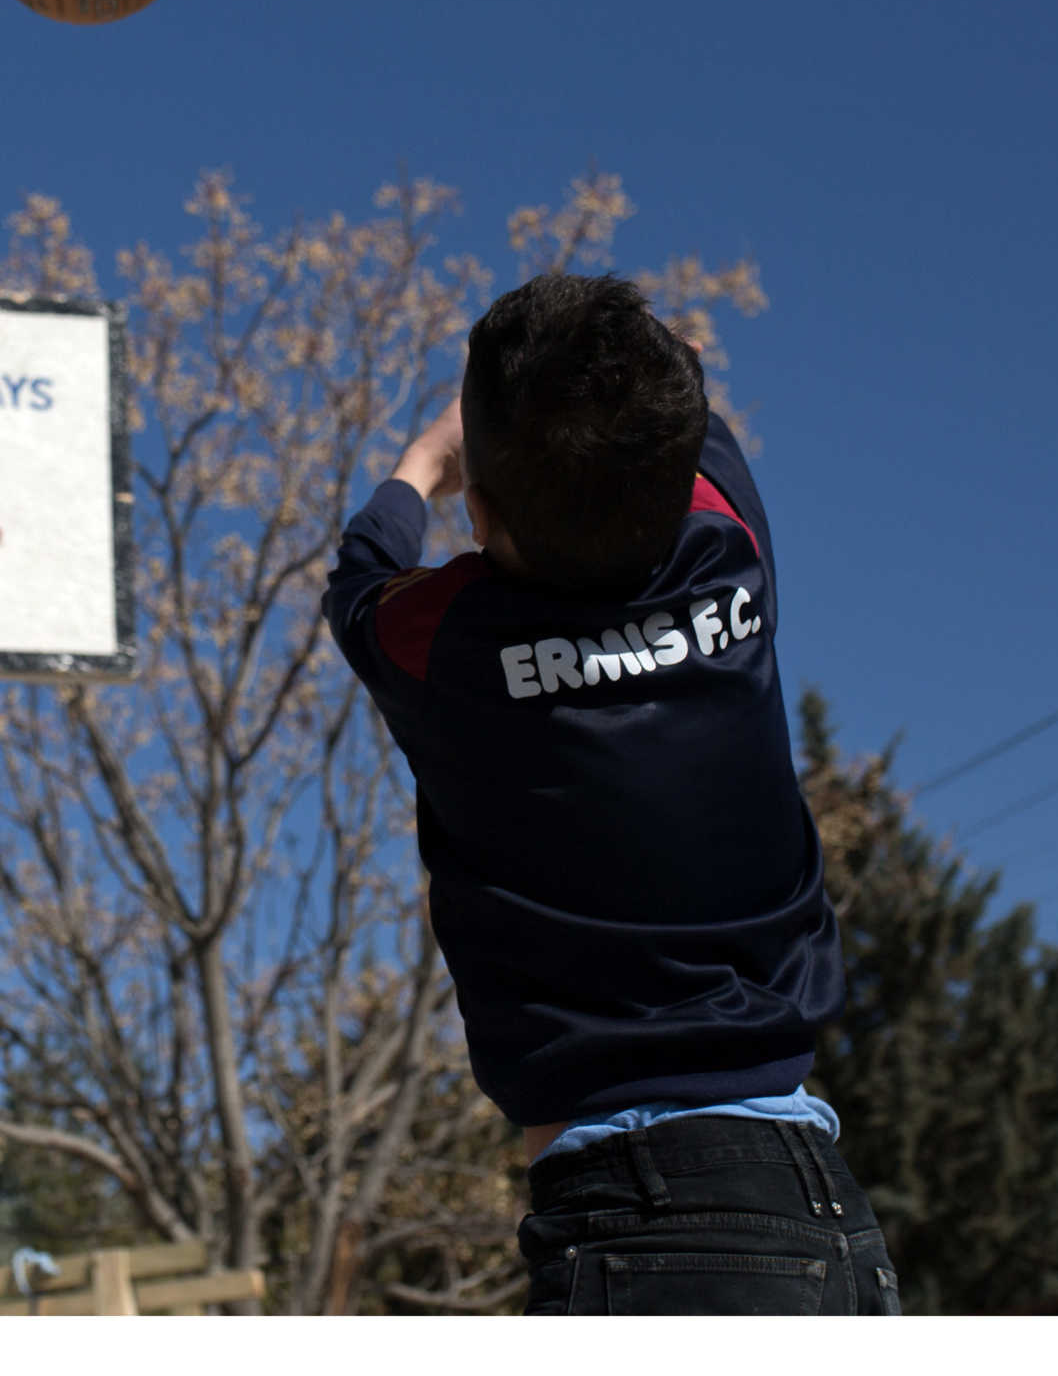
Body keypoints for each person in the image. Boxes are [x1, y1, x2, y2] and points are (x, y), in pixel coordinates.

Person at [323, 272, 899, 1315]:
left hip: (640, 1228)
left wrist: (420, 463)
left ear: (481, 506)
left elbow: (359, 578)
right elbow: (682, 419)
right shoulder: (731, 541)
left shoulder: (442, 643)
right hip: (827, 1225)